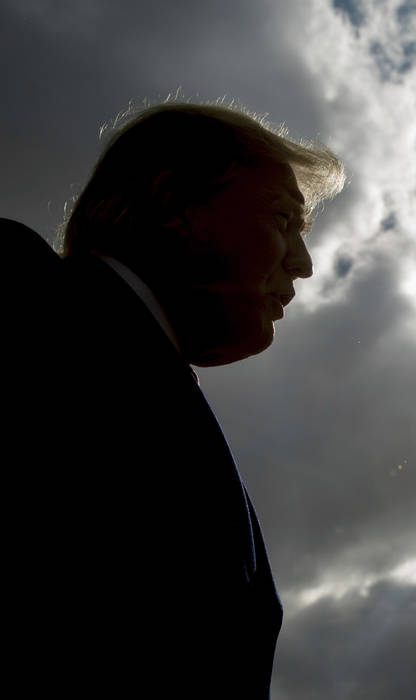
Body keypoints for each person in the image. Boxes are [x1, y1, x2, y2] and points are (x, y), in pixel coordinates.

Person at [4, 102, 344, 697]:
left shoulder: (140, 375)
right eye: (282, 220)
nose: (304, 264)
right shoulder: (22, 301)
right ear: (173, 203)